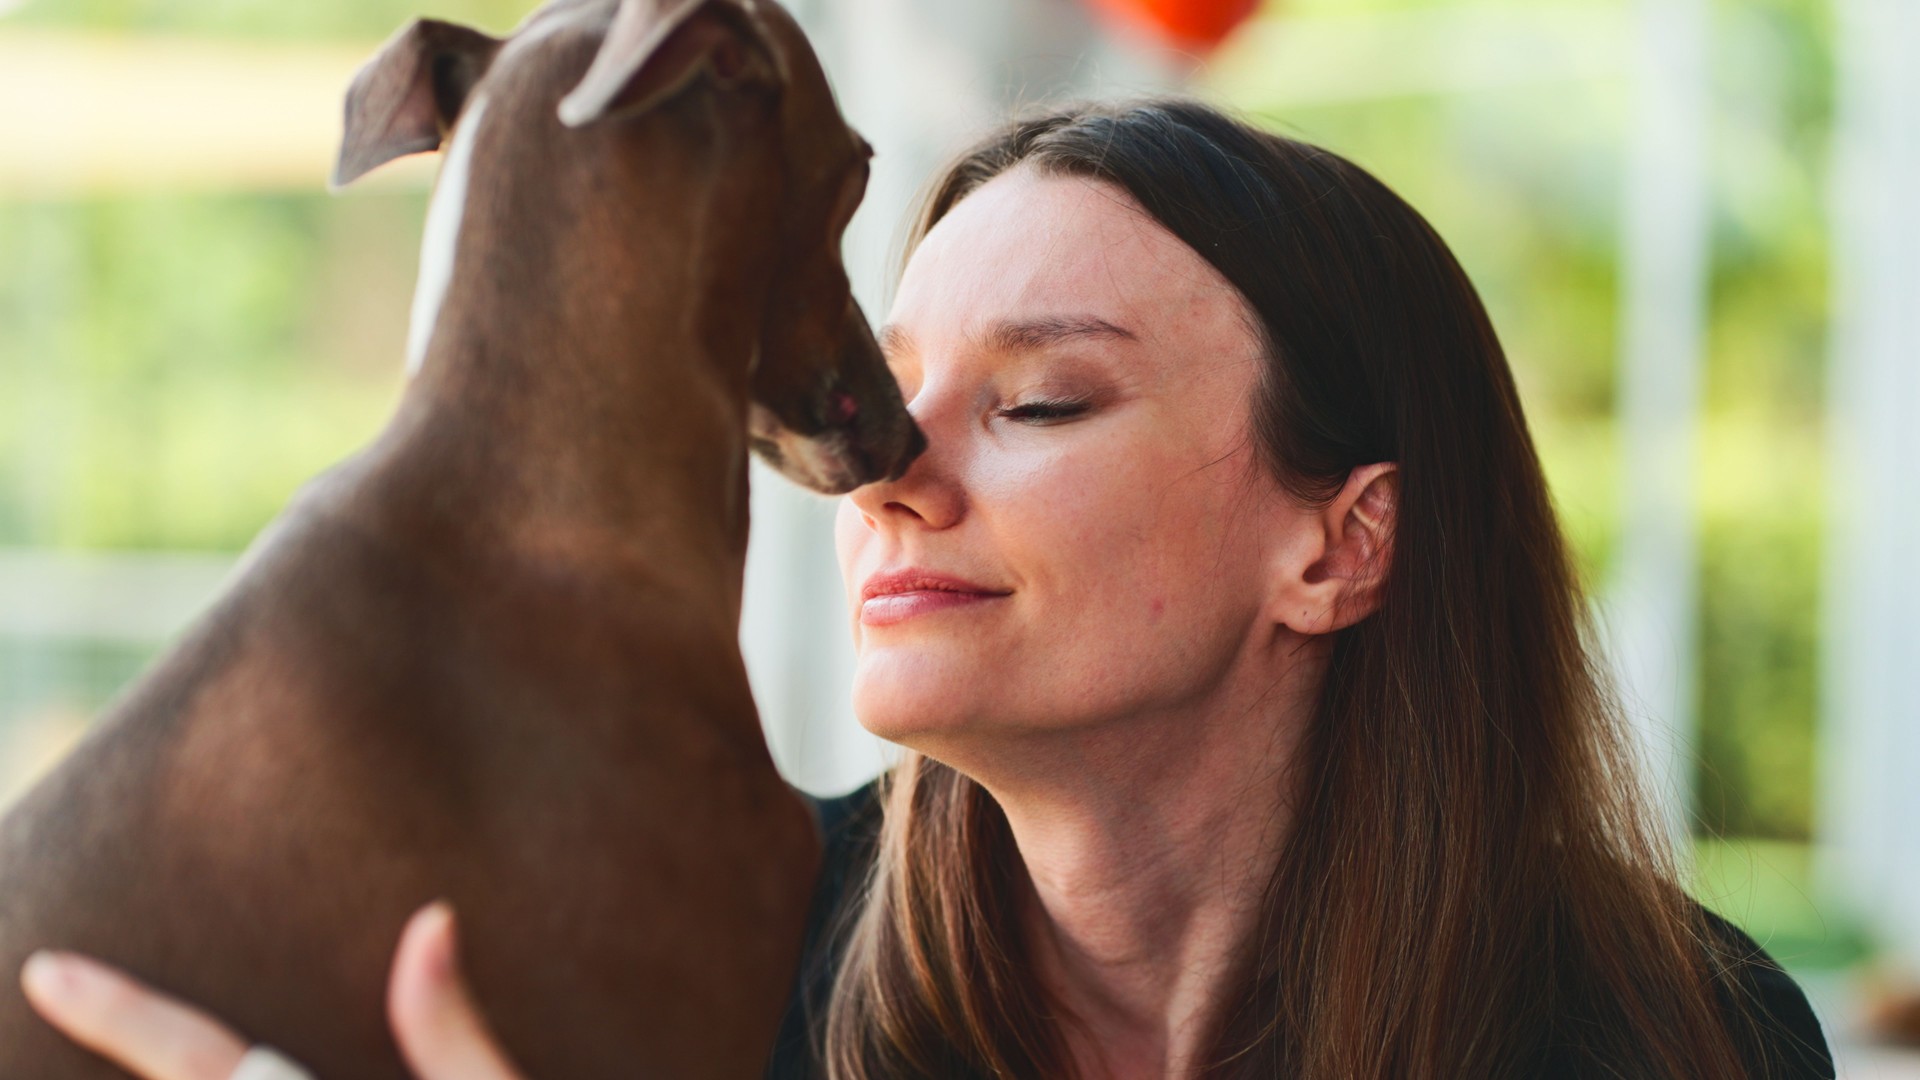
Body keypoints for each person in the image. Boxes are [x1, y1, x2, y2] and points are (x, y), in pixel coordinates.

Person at [18, 100, 1835, 1080]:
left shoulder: (1681, 1042)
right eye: (877, 389)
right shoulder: (711, 972)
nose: (886, 463)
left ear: (1339, 545)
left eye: (1039, 399)